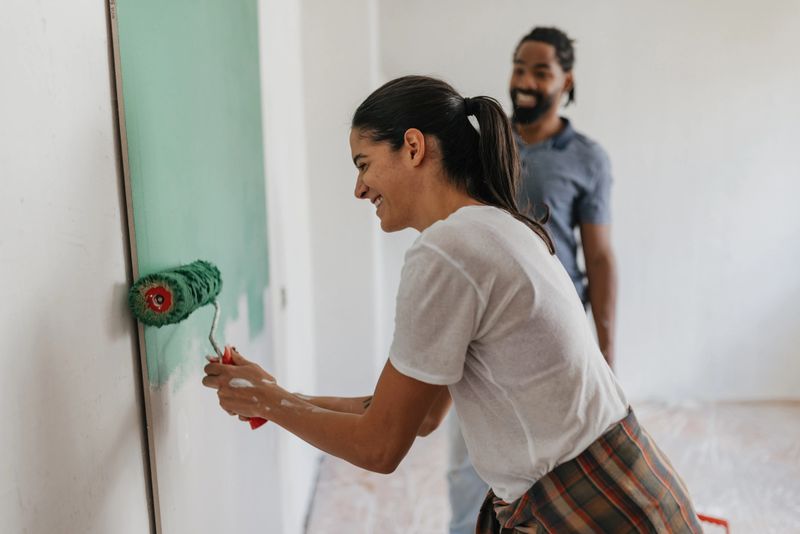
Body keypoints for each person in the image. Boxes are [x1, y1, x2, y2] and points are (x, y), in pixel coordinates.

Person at [203, 75, 702, 533]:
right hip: (626, 490)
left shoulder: (448, 249)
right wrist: (277, 395)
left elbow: (379, 447)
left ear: (413, 147)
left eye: (364, 164)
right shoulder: (498, 226)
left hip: (599, 508)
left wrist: (269, 403)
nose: (358, 189)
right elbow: (418, 416)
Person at [448, 27, 621, 534]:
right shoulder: (481, 145)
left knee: (551, 466)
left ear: (567, 81)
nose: (524, 81)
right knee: (466, 465)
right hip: (479, 326)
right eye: (519, 67)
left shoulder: (587, 158)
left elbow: (600, 258)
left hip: (549, 330)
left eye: (541, 72)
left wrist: (606, 352)